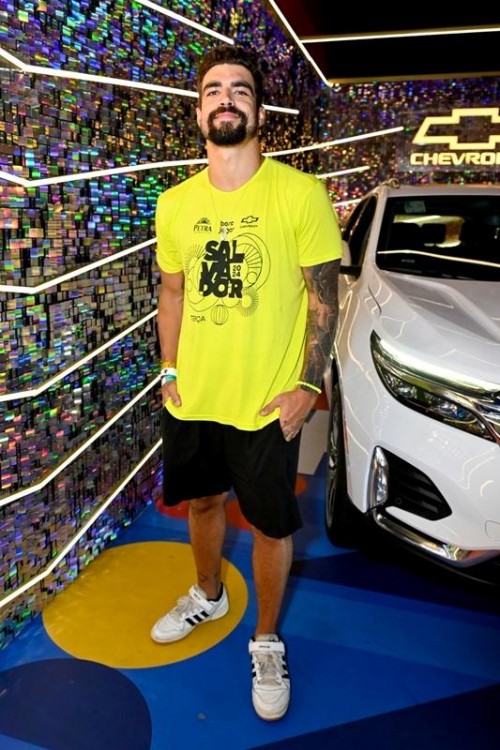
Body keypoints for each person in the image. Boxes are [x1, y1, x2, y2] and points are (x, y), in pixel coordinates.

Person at [151, 43, 342, 722]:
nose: (225, 99)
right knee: (203, 504)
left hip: (266, 403)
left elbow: (324, 297)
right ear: (199, 112)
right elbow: (172, 293)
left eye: (239, 89)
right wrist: (168, 369)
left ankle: (265, 639)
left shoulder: (301, 194)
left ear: (259, 111)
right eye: (212, 90)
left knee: (266, 524)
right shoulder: (174, 204)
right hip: (195, 396)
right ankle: (208, 595)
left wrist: (307, 386)